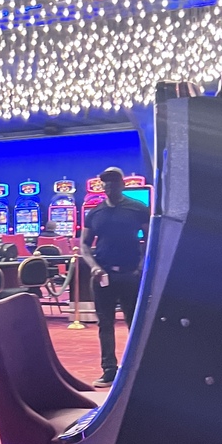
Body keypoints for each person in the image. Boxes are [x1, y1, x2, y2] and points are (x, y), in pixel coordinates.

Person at [80, 166, 150, 388]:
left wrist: (141, 265)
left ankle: (137, 368)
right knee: (105, 323)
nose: (109, 186)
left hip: (130, 273)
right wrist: (93, 266)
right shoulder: (95, 213)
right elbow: (84, 244)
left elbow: (150, 239)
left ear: (122, 184)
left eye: (113, 182)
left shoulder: (137, 208)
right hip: (103, 274)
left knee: (134, 323)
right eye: (105, 183)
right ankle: (109, 369)